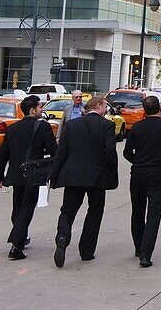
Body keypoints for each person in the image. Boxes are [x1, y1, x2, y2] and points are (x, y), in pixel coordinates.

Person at [49, 96, 118, 267]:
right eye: (105, 107)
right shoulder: (107, 125)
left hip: (73, 175)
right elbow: (110, 151)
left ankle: (62, 238)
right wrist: (111, 172)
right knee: (95, 211)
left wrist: (54, 175)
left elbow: (61, 152)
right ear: (100, 106)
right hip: (97, 175)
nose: (106, 111)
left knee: (68, 210)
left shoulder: (72, 125)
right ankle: (86, 250)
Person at [123, 95, 161, 267]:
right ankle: (145, 253)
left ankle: (138, 246)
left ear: (144, 109)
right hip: (158, 172)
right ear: (159, 108)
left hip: (138, 172)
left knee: (137, 210)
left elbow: (127, 152)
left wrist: (137, 161)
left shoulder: (136, 128)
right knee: (154, 213)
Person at [0, 95, 57, 260]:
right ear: (32, 110)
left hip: (15, 174)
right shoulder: (43, 127)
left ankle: (20, 236)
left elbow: (3, 154)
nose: (42, 110)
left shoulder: (12, 128)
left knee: (17, 207)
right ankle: (16, 245)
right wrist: (53, 171)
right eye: (40, 107)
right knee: (27, 208)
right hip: (32, 175)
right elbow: (53, 150)